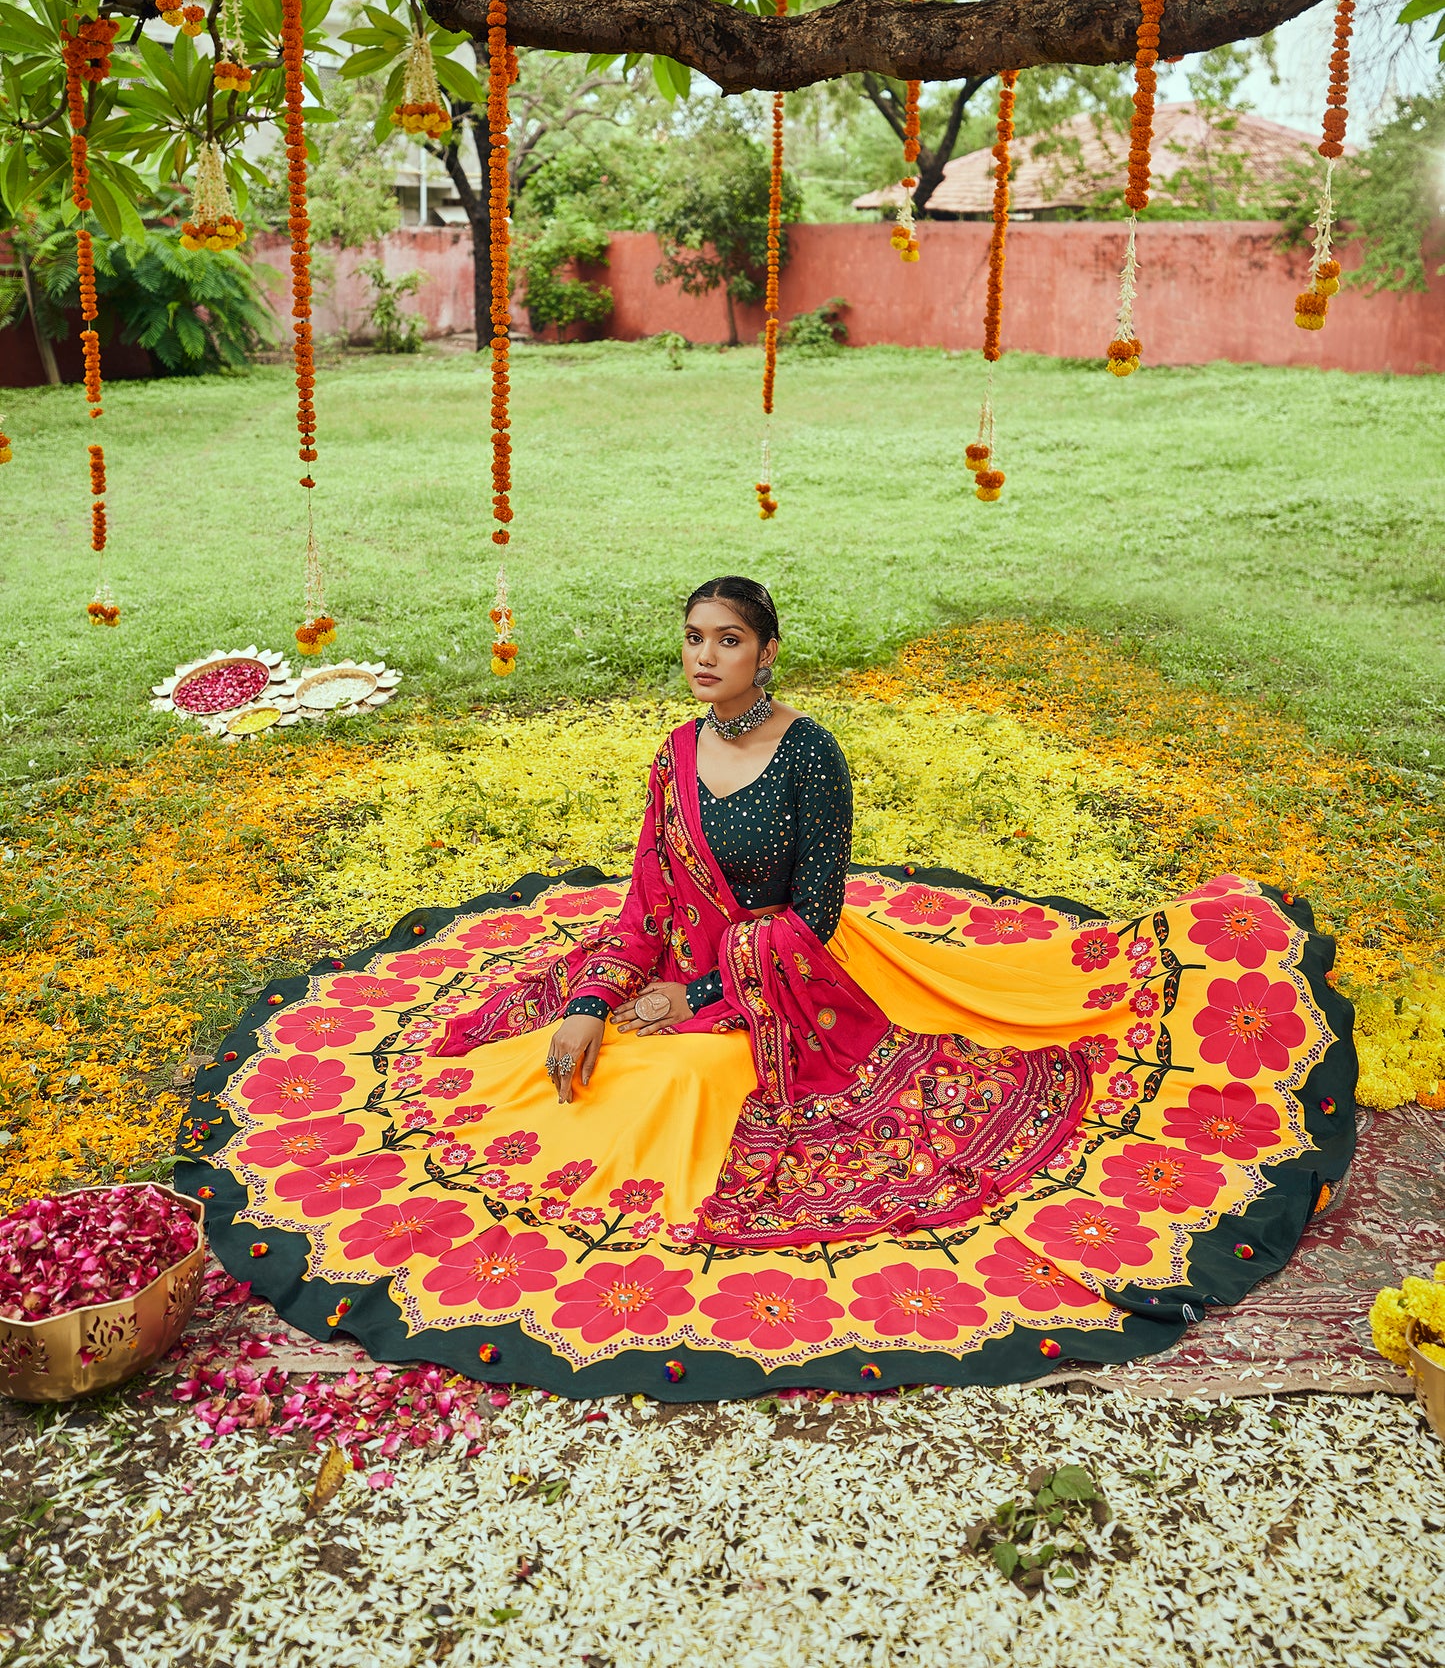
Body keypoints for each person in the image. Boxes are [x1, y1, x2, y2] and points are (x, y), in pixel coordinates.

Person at [180, 578, 1356, 1399]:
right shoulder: (672, 753)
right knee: (551, 1057)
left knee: (672, 1081)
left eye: (727, 639)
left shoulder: (807, 752)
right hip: (696, 965)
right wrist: (596, 995)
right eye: (692, 636)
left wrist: (692, 997)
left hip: (791, 987)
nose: (703, 656)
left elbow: (816, 914)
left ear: (767, 650)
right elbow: (644, 898)